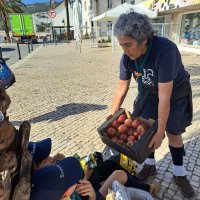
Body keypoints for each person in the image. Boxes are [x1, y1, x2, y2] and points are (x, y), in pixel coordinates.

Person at [110, 11, 194, 198]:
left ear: (144, 40)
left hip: (174, 95)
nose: (125, 50)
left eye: (128, 45)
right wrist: (113, 115)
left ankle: (180, 174)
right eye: (122, 45)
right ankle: (149, 166)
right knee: (144, 129)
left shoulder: (165, 51)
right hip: (149, 93)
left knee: (173, 133)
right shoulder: (127, 58)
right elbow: (121, 86)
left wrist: (160, 131)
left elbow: (165, 97)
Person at [28, 138, 160, 200]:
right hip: (89, 193)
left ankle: (146, 188)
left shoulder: (45, 185)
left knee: (110, 167)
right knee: (118, 174)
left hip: (85, 190)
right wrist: (90, 193)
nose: (50, 158)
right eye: (46, 159)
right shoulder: (54, 190)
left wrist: (60, 167)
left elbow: (69, 185)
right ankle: (148, 189)